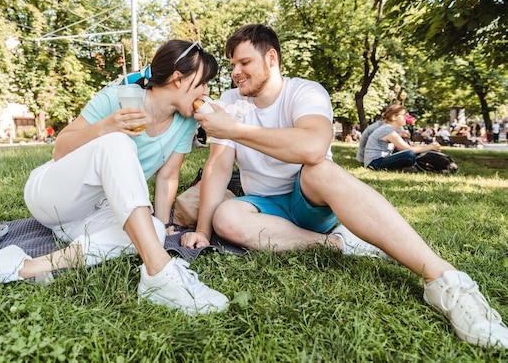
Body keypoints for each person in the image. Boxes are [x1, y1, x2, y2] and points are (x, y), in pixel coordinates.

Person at [183, 24, 508, 348]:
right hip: (263, 204)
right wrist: (203, 229)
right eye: (232, 65)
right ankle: (339, 244)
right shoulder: (229, 101)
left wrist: (235, 129)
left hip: (308, 198)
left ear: (271, 58)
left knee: (320, 170)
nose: (235, 72)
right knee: (224, 218)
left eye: (244, 63)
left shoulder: (305, 92)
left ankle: (446, 281)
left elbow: (312, 146)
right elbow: (217, 166)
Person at [0, 40, 229, 315]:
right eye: (203, 82)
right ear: (178, 79)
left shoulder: (185, 121)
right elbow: (60, 148)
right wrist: (106, 126)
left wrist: (165, 223)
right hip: (54, 196)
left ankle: (26, 266)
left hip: (97, 211)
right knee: (117, 143)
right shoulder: (118, 97)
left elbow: (168, 176)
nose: (206, 91)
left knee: (152, 231)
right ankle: (159, 272)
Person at [363, 103, 442, 171]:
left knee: (411, 154)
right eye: (404, 115)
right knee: (409, 155)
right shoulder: (387, 130)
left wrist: (424, 147)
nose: (406, 117)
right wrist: (430, 146)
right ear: (394, 117)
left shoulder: (389, 128)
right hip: (374, 163)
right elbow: (407, 149)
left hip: (378, 161)